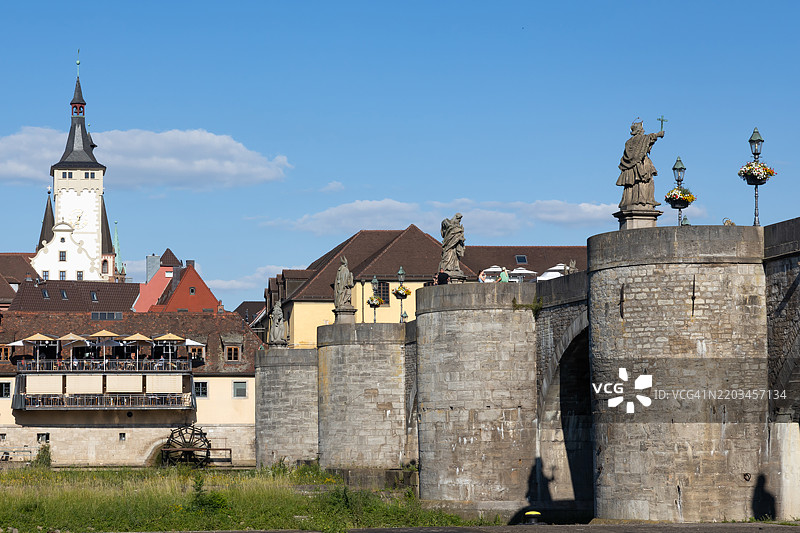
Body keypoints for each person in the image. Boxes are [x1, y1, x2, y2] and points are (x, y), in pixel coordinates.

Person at [616, 121, 664, 209]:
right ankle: (645, 199)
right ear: (638, 130)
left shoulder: (628, 142)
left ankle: (633, 200)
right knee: (644, 181)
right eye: (642, 129)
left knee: (632, 183)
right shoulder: (641, 139)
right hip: (640, 163)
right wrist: (658, 134)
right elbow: (649, 137)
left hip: (631, 165)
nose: (643, 130)